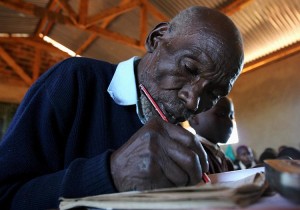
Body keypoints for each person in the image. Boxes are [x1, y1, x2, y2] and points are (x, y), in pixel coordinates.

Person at [0, 6, 244, 209]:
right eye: (189, 68)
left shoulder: (177, 133)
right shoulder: (74, 81)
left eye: (214, 93)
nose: (193, 102)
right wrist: (110, 173)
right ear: (156, 38)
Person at [188, 97, 235, 174]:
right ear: (193, 117)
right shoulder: (193, 157)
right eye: (221, 114)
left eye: (231, 116)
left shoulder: (226, 161)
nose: (230, 123)